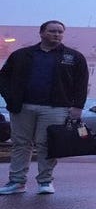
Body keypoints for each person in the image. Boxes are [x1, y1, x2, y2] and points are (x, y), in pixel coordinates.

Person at [0, 21, 89, 196]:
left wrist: (78, 106)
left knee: (47, 144)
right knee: (20, 144)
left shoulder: (73, 57)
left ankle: (45, 181)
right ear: (41, 33)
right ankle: (17, 182)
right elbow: (3, 77)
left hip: (55, 108)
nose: (57, 34)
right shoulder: (22, 55)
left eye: (60, 32)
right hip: (23, 107)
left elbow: (81, 84)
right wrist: (10, 98)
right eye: (52, 31)